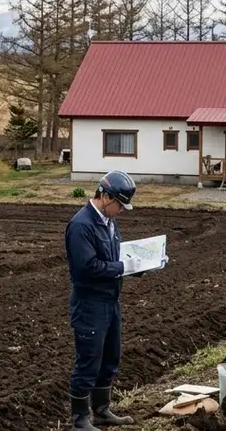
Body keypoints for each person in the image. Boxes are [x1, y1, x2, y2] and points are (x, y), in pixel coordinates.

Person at [64, 170, 156, 430]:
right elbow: (87, 267)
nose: (123, 210)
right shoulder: (81, 226)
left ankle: (102, 411)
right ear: (105, 196)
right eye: (120, 204)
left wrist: (140, 265)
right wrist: (121, 267)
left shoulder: (108, 221)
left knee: (109, 357)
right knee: (88, 360)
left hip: (110, 301)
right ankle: (80, 419)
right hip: (90, 303)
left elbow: (117, 256)